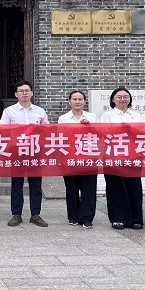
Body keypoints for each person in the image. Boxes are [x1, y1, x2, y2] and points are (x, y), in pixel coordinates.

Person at [0, 80, 50, 228]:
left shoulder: (40, 111)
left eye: (27, 90)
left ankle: (35, 214)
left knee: (36, 184)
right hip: (17, 151)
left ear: (32, 93)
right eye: (21, 91)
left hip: (35, 151)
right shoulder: (9, 111)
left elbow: (47, 130)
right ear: (16, 94)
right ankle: (16, 214)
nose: (24, 93)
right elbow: (2, 130)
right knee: (17, 184)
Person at [100, 87, 144, 230]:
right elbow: (104, 134)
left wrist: (131, 130)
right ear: (113, 100)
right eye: (119, 97)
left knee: (134, 186)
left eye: (125, 97)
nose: (122, 99)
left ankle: (136, 219)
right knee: (115, 187)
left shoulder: (137, 116)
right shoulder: (107, 115)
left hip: (134, 155)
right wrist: (120, 130)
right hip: (113, 155)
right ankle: (117, 218)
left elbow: (143, 133)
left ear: (130, 99)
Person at [57, 90, 98, 229]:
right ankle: (73, 216)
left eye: (80, 99)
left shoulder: (92, 117)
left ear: (85, 102)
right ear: (69, 102)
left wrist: (89, 126)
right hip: (70, 157)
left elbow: (100, 135)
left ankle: (86, 218)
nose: (77, 101)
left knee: (89, 189)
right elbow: (60, 137)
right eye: (74, 99)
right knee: (71, 188)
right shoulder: (63, 118)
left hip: (89, 157)